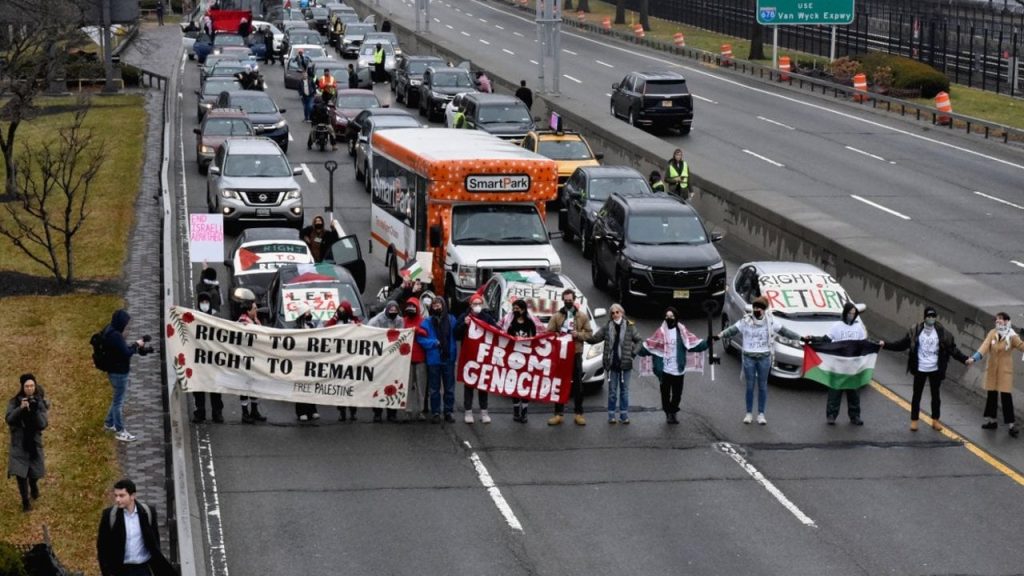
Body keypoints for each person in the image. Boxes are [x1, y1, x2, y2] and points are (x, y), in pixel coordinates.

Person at [716, 296, 804, 425]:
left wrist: (801, 338)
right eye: (755, 308)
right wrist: (719, 335)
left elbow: (785, 332)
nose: (757, 310)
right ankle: (749, 413)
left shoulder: (771, 321)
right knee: (750, 386)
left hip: (764, 357)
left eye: (760, 308)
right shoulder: (746, 321)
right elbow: (733, 330)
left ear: (764, 310)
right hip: (748, 357)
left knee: (762, 386)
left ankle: (761, 414)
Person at [883, 306, 969, 432]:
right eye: (929, 316)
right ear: (924, 317)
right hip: (920, 368)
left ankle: (935, 420)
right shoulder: (916, 330)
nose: (931, 319)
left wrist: (964, 359)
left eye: (933, 316)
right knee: (916, 395)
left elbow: (952, 349)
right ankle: (914, 420)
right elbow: (901, 344)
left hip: (935, 369)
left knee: (936, 396)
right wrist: (885, 345)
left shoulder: (942, 332)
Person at [640, 307, 708, 424]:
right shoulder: (660, 332)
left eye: (672, 316)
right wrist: (635, 347)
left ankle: (673, 412)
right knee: (665, 395)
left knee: (677, 395)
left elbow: (694, 344)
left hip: (678, 371)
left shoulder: (682, 332)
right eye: (667, 316)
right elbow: (649, 347)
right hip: (664, 371)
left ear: (676, 317)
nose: (669, 318)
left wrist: (708, 342)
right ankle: (668, 413)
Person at [96, 478, 175, 576]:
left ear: (132, 496)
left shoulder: (148, 512)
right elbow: (102, 548)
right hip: (120, 570)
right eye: (116, 496)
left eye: (121, 496)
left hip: (143, 569)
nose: (117, 499)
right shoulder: (109, 515)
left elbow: (155, 542)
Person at [967, 312, 1024, 437]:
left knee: (1006, 398)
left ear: (1007, 321)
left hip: (1004, 372)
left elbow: (1021, 346)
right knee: (991, 396)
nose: (998, 322)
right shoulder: (992, 333)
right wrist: (974, 358)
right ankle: (992, 421)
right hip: (992, 370)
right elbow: (984, 347)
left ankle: (1011, 425)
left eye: (1001, 320)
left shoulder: (1012, 336)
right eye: (996, 320)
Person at [587, 303, 642, 425]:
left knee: (624, 391)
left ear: (622, 313)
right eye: (612, 313)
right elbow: (594, 339)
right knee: (612, 392)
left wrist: (632, 354)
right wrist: (582, 335)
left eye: (617, 312)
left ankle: (624, 415)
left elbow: (639, 341)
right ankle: (611, 415)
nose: (615, 314)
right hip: (611, 365)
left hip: (625, 365)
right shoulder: (607, 327)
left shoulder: (629, 327)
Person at [101, 309, 151, 442]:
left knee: (117, 398)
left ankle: (108, 423)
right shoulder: (116, 336)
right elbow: (126, 353)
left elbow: (121, 349)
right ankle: (120, 430)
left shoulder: (109, 331)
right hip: (119, 373)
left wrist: (135, 345)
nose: (126, 326)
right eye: (126, 323)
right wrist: (137, 345)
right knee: (119, 402)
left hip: (113, 371)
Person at [547, 289, 592, 426]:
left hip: (576, 353)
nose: (568, 301)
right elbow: (549, 333)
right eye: (566, 299)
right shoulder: (556, 316)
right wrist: (557, 335)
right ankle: (558, 414)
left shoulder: (582, 316)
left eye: (570, 299)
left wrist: (577, 334)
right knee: (559, 384)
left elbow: (589, 334)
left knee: (578, 385)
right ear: (563, 300)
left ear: (574, 299)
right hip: (561, 355)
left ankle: (579, 414)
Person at [822, 302, 869, 426]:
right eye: (850, 313)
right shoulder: (836, 326)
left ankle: (855, 416)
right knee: (835, 391)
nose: (851, 316)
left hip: (853, 366)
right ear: (845, 313)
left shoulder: (858, 327)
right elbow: (825, 340)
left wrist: (876, 344)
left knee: (854, 392)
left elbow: (864, 343)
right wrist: (812, 340)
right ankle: (831, 415)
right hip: (839, 364)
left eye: (854, 314)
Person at [455, 294, 498, 424]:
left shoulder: (486, 317)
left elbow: (496, 330)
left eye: (480, 303)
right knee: (469, 384)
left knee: (483, 384)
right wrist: (464, 324)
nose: (478, 306)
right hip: (469, 356)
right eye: (475, 304)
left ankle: (484, 411)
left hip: (483, 356)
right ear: (470, 305)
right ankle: (468, 411)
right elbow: (456, 333)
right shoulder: (464, 317)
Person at [7, 374, 47, 512]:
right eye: (26, 386)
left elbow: (43, 424)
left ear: (35, 386)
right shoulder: (14, 402)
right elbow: (9, 419)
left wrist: (35, 411)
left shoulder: (39, 402)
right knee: (20, 474)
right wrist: (21, 409)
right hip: (19, 443)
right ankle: (25, 501)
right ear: (22, 387)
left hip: (33, 443)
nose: (29, 388)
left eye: (31, 386)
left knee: (34, 473)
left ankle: (34, 485)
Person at [419, 296, 457, 423]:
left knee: (449, 388)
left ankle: (448, 411)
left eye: (439, 304)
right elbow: (420, 339)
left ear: (444, 305)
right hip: (434, 358)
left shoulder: (451, 320)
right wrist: (433, 343)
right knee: (434, 388)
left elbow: (459, 333)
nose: (436, 306)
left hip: (448, 358)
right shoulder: (426, 322)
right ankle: (435, 412)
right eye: (434, 305)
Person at [324, 301, 362, 422]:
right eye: (340, 311)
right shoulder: (336, 322)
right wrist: (335, 318)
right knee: (340, 387)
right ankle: (342, 411)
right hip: (339, 359)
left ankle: (353, 411)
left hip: (352, 359)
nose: (342, 313)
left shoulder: (354, 321)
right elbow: (326, 330)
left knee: (352, 386)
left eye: (344, 311)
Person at [503, 299, 538, 423]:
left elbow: (535, 339)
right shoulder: (511, 324)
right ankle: (516, 411)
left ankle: (524, 412)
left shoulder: (530, 323)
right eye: (513, 308)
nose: (515, 311)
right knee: (514, 384)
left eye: (517, 308)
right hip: (513, 359)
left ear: (523, 310)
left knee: (525, 385)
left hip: (526, 359)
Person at [191, 292, 224, 423]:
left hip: (213, 359)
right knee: (199, 388)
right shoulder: (193, 318)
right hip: (199, 360)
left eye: (206, 302)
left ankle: (217, 413)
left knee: (215, 388)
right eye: (202, 302)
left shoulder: (216, 319)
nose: (204, 305)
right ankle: (200, 412)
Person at [398, 298, 429, 421]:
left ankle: (421, 410)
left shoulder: (423, 321)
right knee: (407, 387)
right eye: (408, 306)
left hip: (420, 359)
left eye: (413, 306)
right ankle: (407, 410)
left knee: (421, 387)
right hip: (406, 360)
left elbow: (427, 334)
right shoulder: (403, 321)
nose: (410, 308)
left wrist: (418, 330)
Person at [236, 300, 267, 423]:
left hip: (255, 358)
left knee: (255, 384)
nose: (256, 310)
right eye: (254, 309)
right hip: (246, 359)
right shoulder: (243, 322)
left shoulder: (255, 321)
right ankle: (245, 413)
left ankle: (254, 411)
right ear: (248, 311)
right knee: (245, 385)